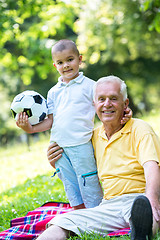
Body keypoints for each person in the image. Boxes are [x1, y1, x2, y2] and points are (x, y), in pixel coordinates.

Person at [37, 75, 160, 240]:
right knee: (61, 221)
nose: (107, 104)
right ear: (94, 104)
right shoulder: (91, 137)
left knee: (147, 215)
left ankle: (141, 233)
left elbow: (152, 166)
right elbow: (81, 169)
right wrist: (57, 163)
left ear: (125, 104)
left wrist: (151, 198)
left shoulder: (140, 128)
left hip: (140, 198)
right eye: (101, 99)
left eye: (113, 99)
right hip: (108, 205)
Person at [16, 40, 131, 210]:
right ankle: (78, 212)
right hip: (58, 146)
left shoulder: (91, 86)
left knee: (88, 180)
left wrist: (123, 113)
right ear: (55, 65)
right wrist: (30, 128)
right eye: (60, 62)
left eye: (70, 60)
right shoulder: (53, 92)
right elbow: (50, 121)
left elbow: (104, 109)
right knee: (69, 183)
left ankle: (96, 212)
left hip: (81, 144)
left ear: (80, 59)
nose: (66, 65)